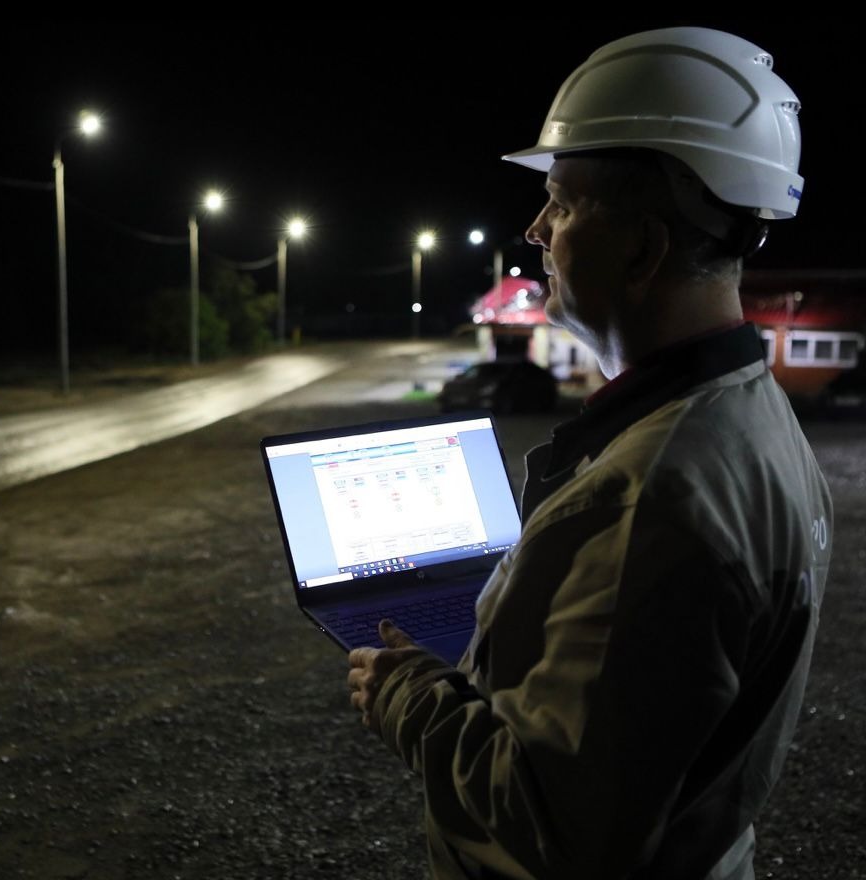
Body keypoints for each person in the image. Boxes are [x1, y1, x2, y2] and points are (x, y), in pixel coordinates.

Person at [347, 26, 833, 880]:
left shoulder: (651, 497)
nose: (535, 228)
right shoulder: (748, 418)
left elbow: (556, 827)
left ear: (642, 249)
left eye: (563, 203)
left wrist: (405, 695)